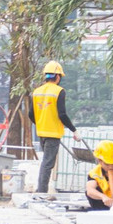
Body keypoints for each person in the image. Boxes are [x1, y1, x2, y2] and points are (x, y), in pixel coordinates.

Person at [30, 61, 80, 195]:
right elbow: (62, 114)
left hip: (41, 132)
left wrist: (41, 123)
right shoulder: (59, 91)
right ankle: (41, 192)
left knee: (45, 161)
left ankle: (40, 189)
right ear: (58, 76)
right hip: (53, 133)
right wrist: (74, 130)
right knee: (48, 163)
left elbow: (31, 114)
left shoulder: (37, 91)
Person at [85, 140, 113, 210]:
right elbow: (90, 191)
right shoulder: (94, 173)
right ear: (100, 161)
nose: (111, 167)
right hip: (104, 203)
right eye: (107, 164)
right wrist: (103, 197)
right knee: (92, 192)